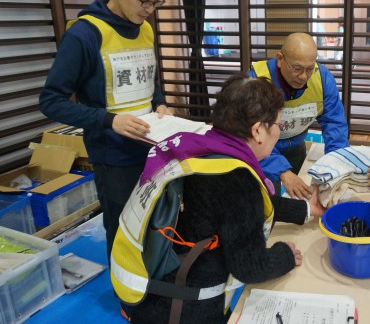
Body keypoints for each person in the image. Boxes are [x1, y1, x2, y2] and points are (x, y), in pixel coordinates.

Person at [112, 75, 326, 323]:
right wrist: (285, 255)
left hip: (149, 287)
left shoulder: (201, 147)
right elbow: (250, 267)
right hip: (183, 307)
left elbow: (245, 207)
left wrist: (304, 210)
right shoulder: (235, 180)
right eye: (278, 124)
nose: (279, 132)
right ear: (258, 130)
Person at [38, 0, 173, 264]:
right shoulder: (84, 34)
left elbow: (149, 76)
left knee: (155, 219)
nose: (150, 10)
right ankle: (127, 297)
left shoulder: (145, 28)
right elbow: (51, 101)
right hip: (113, 155)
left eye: (158, 1)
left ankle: (155, 282)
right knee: (124, 226)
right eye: (145, 0)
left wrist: (160, 103)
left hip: (152, 146)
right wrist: (109, 120)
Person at [249, 32, 349, 199]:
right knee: (267, 201)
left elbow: (335, 124)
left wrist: (336, 164)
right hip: (261, 153)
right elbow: (249, 134)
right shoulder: (256, 81)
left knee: (300, 195)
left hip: (296, 147)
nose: (304, 76)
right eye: (297, 68)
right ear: (280, 59)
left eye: (310, 68)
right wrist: (282, 171)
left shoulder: (322, 79)